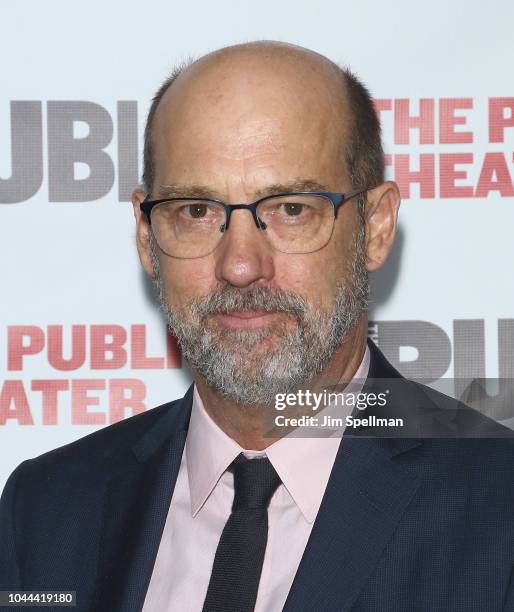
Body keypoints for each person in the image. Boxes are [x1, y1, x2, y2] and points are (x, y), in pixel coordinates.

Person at [1, 41, 513, 612]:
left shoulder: (501, 505)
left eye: (290, 208)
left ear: (375, 227)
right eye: (196, 210)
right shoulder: (43, 512)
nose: (241, 265)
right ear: (148, 239)